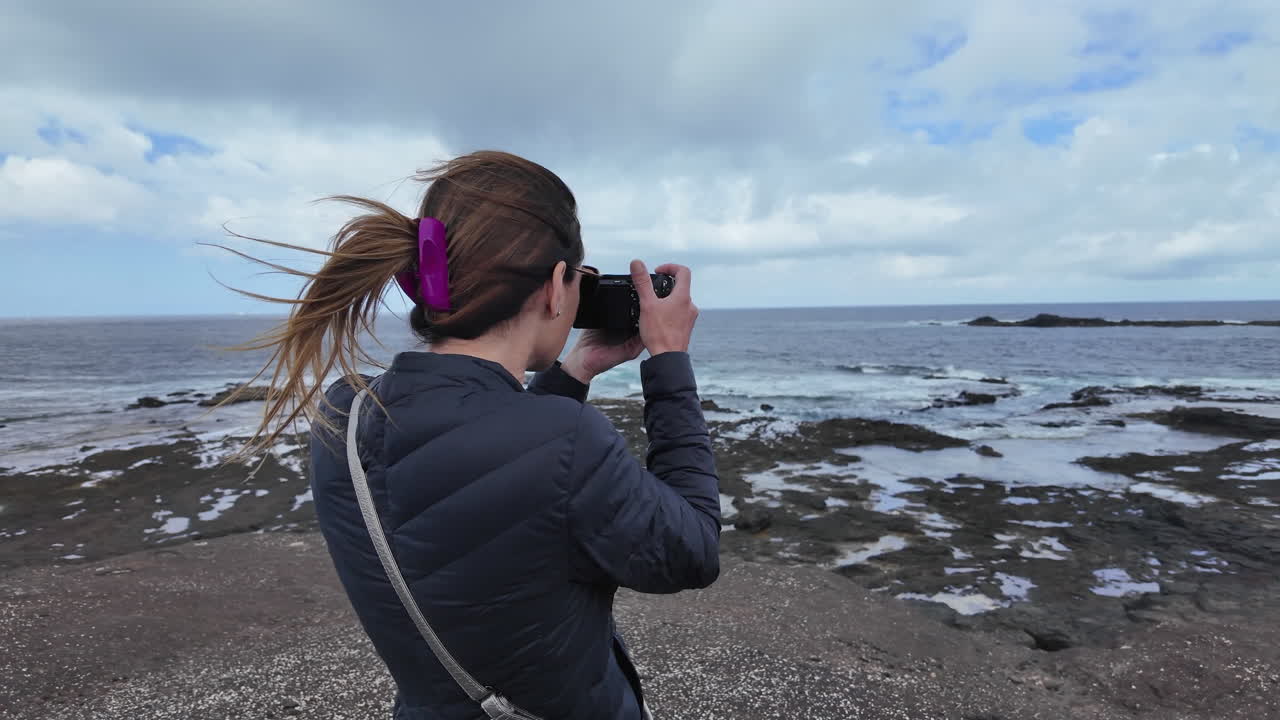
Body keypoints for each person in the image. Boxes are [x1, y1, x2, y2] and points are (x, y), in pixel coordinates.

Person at [229, 151, 721, 719]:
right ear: (556, 287)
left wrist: (576, 371)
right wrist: (668, 362)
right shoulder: (567, 440)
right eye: (578, 278)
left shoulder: (348, 413)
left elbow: (481, 476)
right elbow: (693, 551)